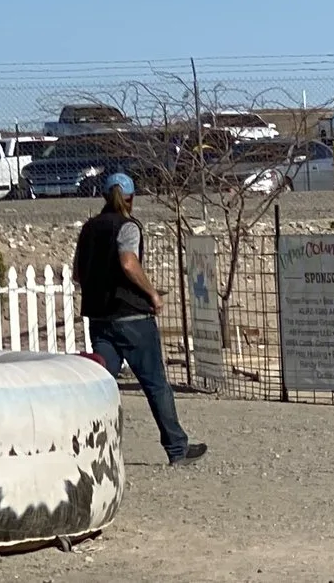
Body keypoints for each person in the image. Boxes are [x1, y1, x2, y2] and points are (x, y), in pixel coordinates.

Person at [72, 172, 206, 464]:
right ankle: (177, 448)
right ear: (131, 198)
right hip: (132, 316)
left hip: (98, 317)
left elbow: (77, 274)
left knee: (102, 385)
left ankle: (90, 449)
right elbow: (128, 262)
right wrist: (153, 294)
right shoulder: (128, 227)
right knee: (155, 383)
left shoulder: (88, 229)